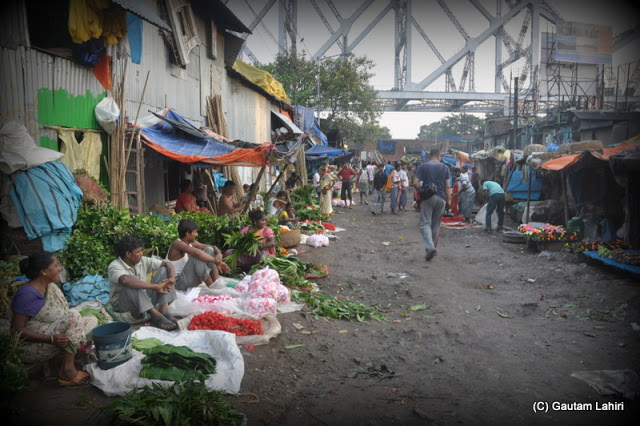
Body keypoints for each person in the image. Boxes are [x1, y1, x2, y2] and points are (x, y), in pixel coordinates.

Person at [10, 251, 98, 387]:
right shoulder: (27, 294)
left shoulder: (50, 287)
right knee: (74, 318)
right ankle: (67, 370)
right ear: (44, 271)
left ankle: (66, 353)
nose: (60, 268)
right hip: (31, 345)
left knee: (92, 319)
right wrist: (51, 339)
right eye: (56, 265)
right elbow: (17, 330)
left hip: (54, 335)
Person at [107, 236, 178, 331]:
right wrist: (156, 286)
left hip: (143, 300)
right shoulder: (114, 266)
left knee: (164, 270)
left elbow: (167, 264)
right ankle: (155, 316)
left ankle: (164, 311)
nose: (141, 254)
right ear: (128, 254)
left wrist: (172, 279)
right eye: (138, 252)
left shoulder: (142, 260)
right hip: (124, 305)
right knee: (132, 283)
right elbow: (125, 279)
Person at [166, 219, 231, 291]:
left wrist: (219, 255)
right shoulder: (177, 244)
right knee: (196, 258)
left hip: (189, 279)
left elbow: (213, 247)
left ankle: (216, 282)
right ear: (188, 234)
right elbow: (197, 253)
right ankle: (213, 288)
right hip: (178, 283)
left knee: (209, 250)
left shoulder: (192, 243)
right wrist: (217, 261)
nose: (197, 234)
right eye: (195, 232)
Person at [413, 148, 451, 261]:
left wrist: (421, 191)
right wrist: (448, 202)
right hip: (441, 199)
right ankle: (432, 247)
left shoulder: (423, 166)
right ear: (439, 156)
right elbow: (447, 187)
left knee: (425, 223)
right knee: (435, 225)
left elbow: (415, 183)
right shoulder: (445, 167)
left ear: (430, 156)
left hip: (428, 198)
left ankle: (429, 248)